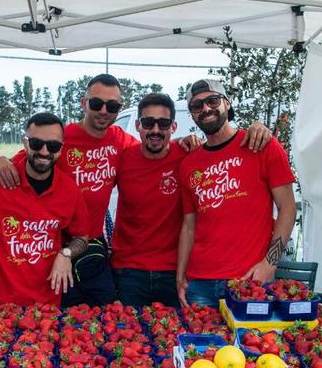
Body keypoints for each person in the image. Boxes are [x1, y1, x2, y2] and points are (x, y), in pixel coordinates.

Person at [0, 74, 271, 307]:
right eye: (97, 103)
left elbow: (199, 180)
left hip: (154, 265)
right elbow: (31, 156)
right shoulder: (67, 140)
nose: (104, 111)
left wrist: (257, 129)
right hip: (71, 255)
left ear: (173, 127)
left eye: (112, 106)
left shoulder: (170, 152)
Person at [111, 93, 273, 308]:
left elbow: (221, 146)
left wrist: (259, 127)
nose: (156, 130)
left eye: (164, 123)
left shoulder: (188, 156)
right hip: (128, 273)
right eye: (149, 123)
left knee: (175, 338)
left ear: (174, 127)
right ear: (139, 125)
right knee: (128, 334)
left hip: (173, 271)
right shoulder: (122, 158)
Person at [176, 79, 296, 308]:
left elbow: (287, 208)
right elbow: (189, 226)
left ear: (227, 104)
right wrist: (180, 276)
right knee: (198, 344)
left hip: (249, 279)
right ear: (191, 114)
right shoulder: (188, 165)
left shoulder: (261, 146)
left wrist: (269, 264)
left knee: (252, 344)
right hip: (200, 283)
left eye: (212, 101)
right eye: (196, 106)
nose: (205, 109)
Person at [0, 112, 90, 306]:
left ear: (61, 149)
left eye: (53, 146)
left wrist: (66, 254)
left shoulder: (70, 190)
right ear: (25, 142)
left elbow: (82, 238)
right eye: (37, 143)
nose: (45, 152)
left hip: (47, 306)